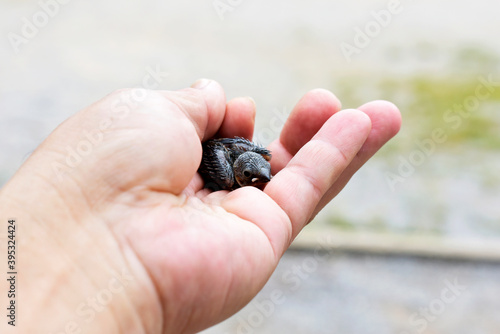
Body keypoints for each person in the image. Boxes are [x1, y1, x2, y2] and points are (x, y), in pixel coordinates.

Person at [0, 79, 401, 334]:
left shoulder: (249, 162)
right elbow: (230, 162)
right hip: (225, 165)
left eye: (261, 181)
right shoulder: (228, 177)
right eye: (256, 181)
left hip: (236, 156)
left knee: (251, 151)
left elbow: (249, 155)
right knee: (234, 166)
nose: (261, 186)